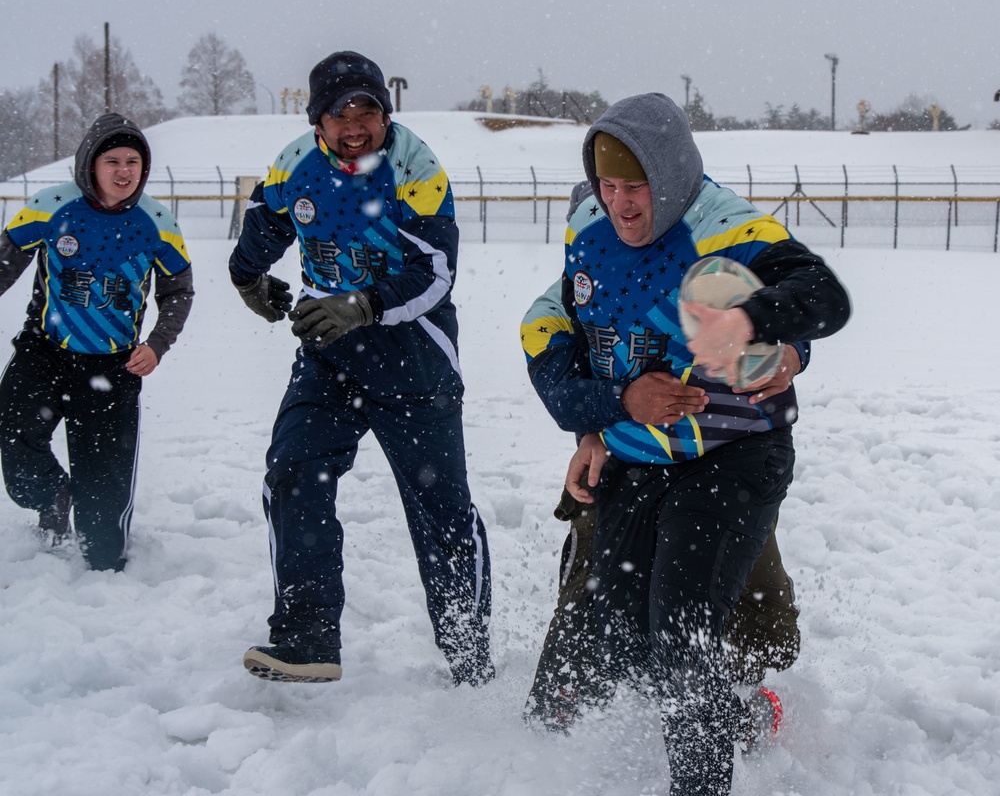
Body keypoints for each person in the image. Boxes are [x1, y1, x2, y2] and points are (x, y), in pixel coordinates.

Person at [519, 93, 851, 795]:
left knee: (687, 631)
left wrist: (757, 324)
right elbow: (553, 348)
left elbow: (822, 295)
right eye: (607, 187)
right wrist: (602, 414)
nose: (620, 204)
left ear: (669, 180)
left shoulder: (724, 230)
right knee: (616, 641)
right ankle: (737, 718)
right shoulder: (588, 231)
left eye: (634, 187)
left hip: (732, 459)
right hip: (634, 459)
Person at [229, 51, 492, 686]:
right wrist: (246, 278)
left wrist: (365, 303)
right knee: (293, 470)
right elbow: (264, 228)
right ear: (318, 120)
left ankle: (467, 654)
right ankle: (307, 636)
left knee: (441, 509)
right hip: (329, 358)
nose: (355, 124)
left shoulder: (414, 166)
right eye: (339, 112)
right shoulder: (295, 165)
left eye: (367, 110)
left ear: (384, 115)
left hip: (415, 358)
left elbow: (435, 274)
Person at [522, 186, 806, 733]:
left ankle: (719, 699)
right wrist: (600, 423)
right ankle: (570, 708)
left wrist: (792, 353)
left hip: (718, 469)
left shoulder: (691, 269)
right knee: (598, 613)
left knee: (764, 627)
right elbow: (559, 383)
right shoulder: (564, 303)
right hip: (624, 471)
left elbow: (771, 318)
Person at [0, 113, 195, 572]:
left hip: (114, 367)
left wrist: (158, 343)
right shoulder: (50, 206)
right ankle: (53, 494)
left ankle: (106, 566)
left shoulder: (157, 222)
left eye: (133, 162)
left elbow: (178, 290)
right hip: (44, 353)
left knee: (104, 541)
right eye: (113, 161)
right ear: (91, 163)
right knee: (12, 435)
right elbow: (4, 263)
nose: (124, 171)